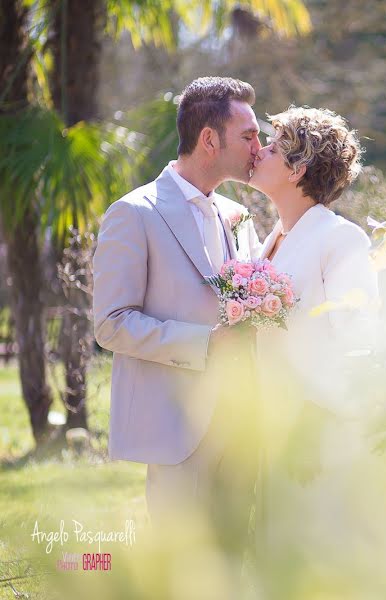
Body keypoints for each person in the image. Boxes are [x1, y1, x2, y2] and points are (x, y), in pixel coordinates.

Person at [91, 77, 263, 557]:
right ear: (209, 140)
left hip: (244, 426)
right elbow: (110, 322)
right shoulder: (134, 213)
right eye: (248, 136)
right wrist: (204, 344)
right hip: (176, 429)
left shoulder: (238, 215)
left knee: (236, 563)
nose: (259, 147)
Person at [250, 106, 386, 587]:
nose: (260, 150)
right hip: (272, 423)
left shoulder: (340, 239)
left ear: (298, 170)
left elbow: (359, 340)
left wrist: (312, 421)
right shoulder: (272, 239)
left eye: (274, 147)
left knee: (323, 557)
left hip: (319, 433)